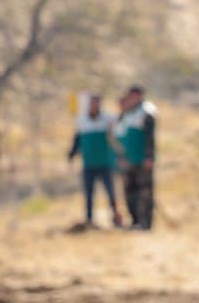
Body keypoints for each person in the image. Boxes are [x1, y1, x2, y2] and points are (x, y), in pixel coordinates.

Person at [67, 93, 123, 228]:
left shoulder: (108, 119)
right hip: (89, 164)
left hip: (105, 162)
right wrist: (71, 154)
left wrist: (120, 155)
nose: (94, 105)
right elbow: (77, 139)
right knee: (89, 194)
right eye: (92, 102)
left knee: (111, 193)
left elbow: (117, 136)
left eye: (97, 102)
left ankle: (116, 218)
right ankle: (89, 220)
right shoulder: (81, 120)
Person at [116, 85, 157, 231]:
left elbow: (149, 137)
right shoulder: (126, 114)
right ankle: (135, 221)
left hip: (142, 160)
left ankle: (145, 223)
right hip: (129, 160)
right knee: (129, 192)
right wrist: (121, 157)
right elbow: (120, 138)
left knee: (144, 192)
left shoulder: (146, 112)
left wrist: (149, 157)